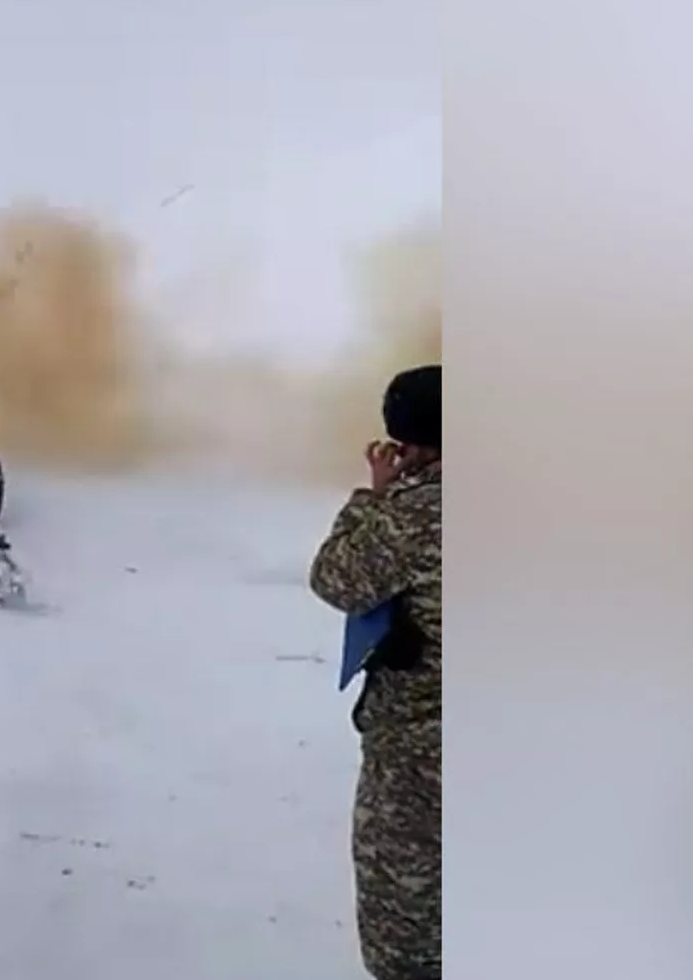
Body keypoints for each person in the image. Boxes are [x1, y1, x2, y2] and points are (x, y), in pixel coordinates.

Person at [309, 364, 441, 980]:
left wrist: (375, 497)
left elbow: (336, 578)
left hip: (421, 759)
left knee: (408, 931)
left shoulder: (413, 514)